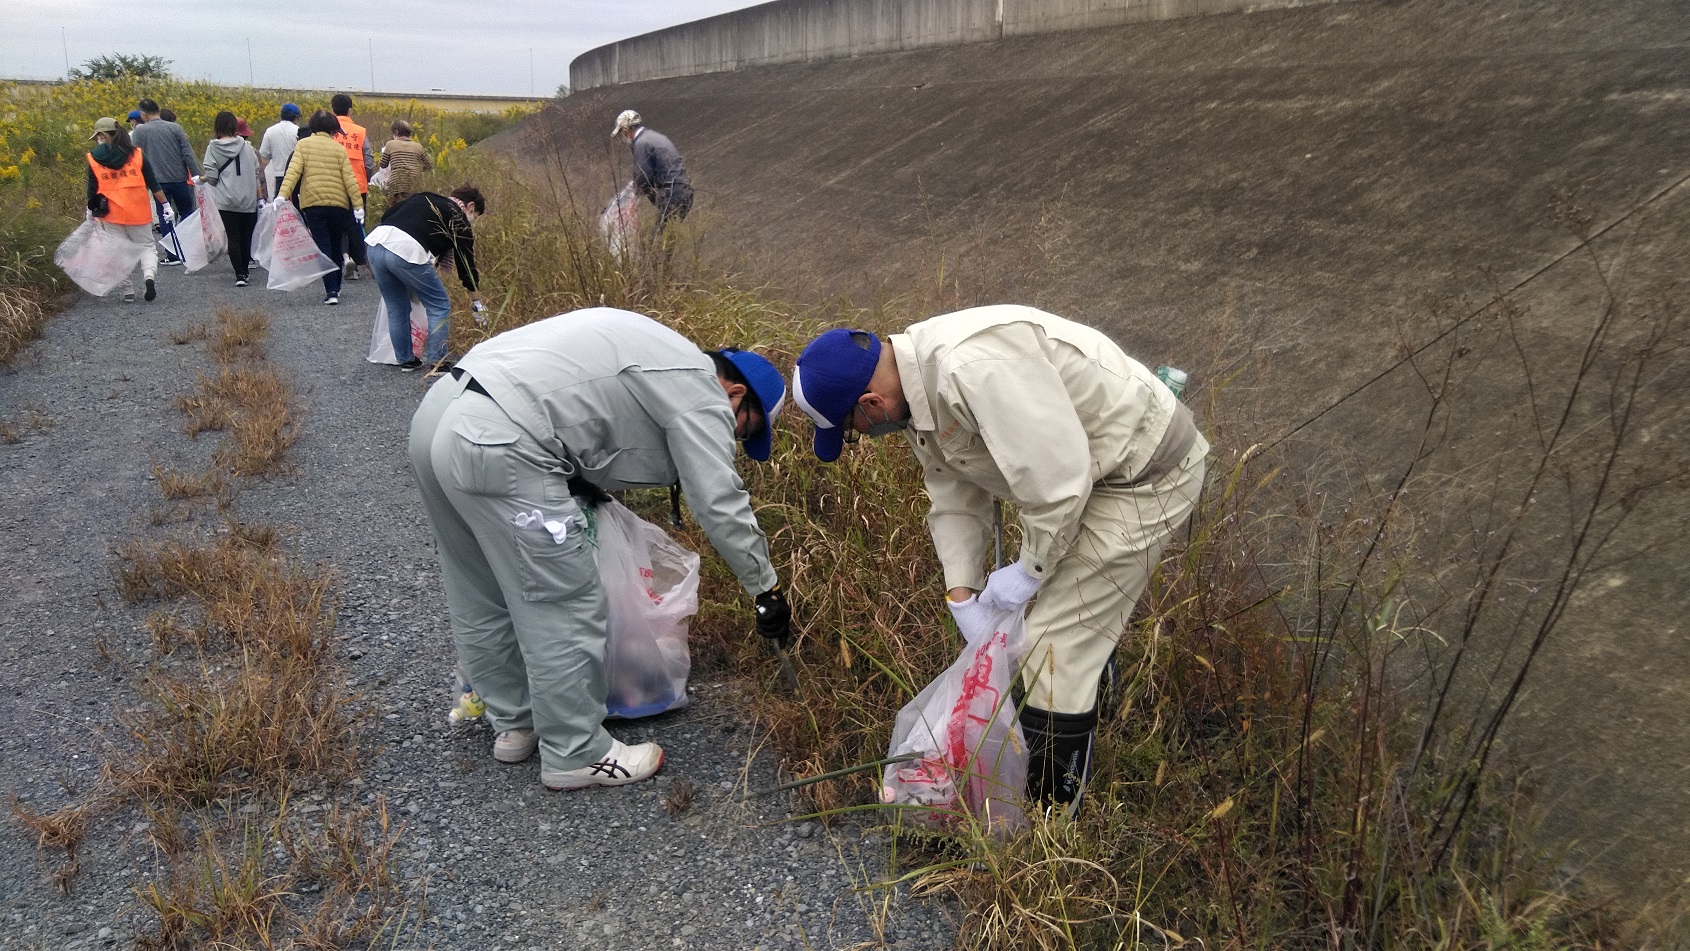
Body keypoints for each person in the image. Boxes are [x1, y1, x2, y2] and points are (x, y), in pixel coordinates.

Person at [791, 305, 1209, 810]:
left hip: (1144, 473)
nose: (863, 437)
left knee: (1052, 650)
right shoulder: (912, 389)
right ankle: (1094, 690)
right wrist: (962, 592)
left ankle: (1049, 823)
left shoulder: (971, 369)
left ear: (871, 403)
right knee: (1065, 620)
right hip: (1090, 474)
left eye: (853, 429)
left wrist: (1029, 572)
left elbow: (1056, 489)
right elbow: (952, 492)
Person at [408, 307, 795, 790]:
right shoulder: (701, 390)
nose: (736, 439)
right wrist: (765, 587)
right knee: (563, 600)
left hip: (441, 412)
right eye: (747, 429)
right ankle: (574, 751)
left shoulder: (663, 353)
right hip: (501, 437)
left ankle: (517, 721)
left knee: (478, 586)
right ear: (735, 394)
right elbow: (718, 501)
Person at [365, 185, 484, 371]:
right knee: (439, 305)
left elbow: (387, 215)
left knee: (397, 306)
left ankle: (405, 359)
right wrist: (477, 302)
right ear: (470, 206)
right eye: (475, 215)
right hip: (405, 251)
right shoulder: (459, 220)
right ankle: (437, 361)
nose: (472, 221)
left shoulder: (424, 197)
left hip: (375, 244)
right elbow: (466, 265)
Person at [277, 110, 360, 305]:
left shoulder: (303, 145)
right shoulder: (338, 149)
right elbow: (350, 178)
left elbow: (293, 172)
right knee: (336, 242)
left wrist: (282, 195)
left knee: (323, 245)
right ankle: (336, 287)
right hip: (338, 204)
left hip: (313, 204)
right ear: (333, 128)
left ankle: (331, 291)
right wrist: (357, 205)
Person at [84, 117, 171, 303]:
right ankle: (148, 277)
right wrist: (165, 206)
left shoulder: (93, 158)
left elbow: (92, 190)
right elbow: (153, 183)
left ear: (101, 135)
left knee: (118, 252)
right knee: (147, 247)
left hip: (110, 213)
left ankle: (128, 291)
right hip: (138, 211)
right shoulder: (137, 154)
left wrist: (89, 211)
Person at [130, 98, 198, 264]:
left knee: (165, 215)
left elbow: (135, 157)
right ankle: (189, 250)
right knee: (186, 212)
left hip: (157, 182)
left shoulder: (140, 132)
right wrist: (196, 174)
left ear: (143, 114)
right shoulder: (175, 128)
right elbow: (187, 153)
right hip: (179, 177)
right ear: (158, 111)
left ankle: (172, 254)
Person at [201, 111, 264, 287]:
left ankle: (240, 275)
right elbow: (256, 170)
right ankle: (246, 268)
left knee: (233, 236)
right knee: (246, 236)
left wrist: (205, 179)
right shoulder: (247, 147)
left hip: (226, 201)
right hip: (248, 199)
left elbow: (212, 177)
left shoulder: (213, 148)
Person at [611, 110, 693, 238]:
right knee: (666, 237)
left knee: (657, 242)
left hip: (672, 195)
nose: (623, 136)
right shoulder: (655, 137)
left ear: (626, 130)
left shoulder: (641, 143)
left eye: (622, 132)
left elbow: (643, 175)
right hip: (684, 192)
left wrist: (634, 194)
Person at [331, 94, 374, 280]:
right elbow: (369, 161)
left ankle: (344, 258)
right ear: (350, 110)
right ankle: (357, 264)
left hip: (334, 185)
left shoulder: (328, 132)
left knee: (337, 225)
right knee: (356, 224)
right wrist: (366, 178)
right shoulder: (360, 131)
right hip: (358, 186)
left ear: (333, 110)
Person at [376, 119, 433, 206]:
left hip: (396, 182)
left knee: (395, 208)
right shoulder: (418, 146)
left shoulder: (390, 144)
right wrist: (418, 170)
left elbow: (383, 165)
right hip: (414, 182)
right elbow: (430, 165)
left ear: (396, 132)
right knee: (411, 207)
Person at [258, 103, 301, 200]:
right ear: (296, 117)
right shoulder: (298, 131)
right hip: (297, 176)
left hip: (279, 176)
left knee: (280, 209)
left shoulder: (270, 131)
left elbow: (264, 156)